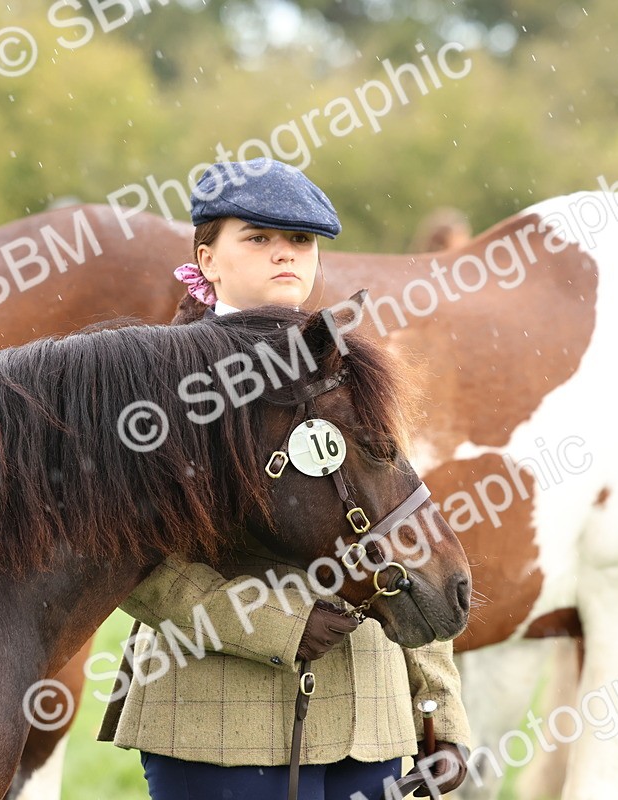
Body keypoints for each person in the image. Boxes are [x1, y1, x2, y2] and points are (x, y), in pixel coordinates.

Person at [99, 159, 472, 800]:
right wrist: (276, 626)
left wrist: (439, 708)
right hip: (216, 728)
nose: (284, 256)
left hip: (369, 723)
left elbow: (401, 524)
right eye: (258, 238)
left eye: (299, 241)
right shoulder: (159, 389)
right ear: (207, 258)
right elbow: (133, 568)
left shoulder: (354, 372)